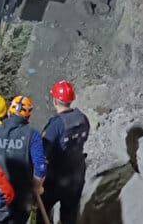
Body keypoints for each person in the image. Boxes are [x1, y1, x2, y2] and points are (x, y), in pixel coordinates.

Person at [0, 96, 47, 224]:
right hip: (21, 196)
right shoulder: (33, 135)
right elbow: (40, 166)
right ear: (29, 116)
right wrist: (37, 187)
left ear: (9, 112)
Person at [41, 81, 90, 224]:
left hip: (56, 177)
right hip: (77, 174)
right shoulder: (82, 118)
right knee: (69, 215)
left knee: (43, 209)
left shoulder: (56, 125)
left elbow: (44, 152)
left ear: (55, 101)